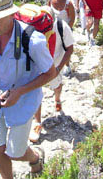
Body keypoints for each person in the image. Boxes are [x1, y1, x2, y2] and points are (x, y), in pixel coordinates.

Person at [0, 0, 57, 179]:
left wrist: (19, 92)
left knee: (16, 152)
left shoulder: (32, 41)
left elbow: (50, 72)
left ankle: (35, 157)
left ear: (11, 15)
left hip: (24, 102)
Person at [29, 12, 74, 143]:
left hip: (55, 61)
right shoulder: (34, 25)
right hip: (38, 62)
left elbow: (70, 49)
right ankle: (37, 123)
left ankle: (57, 98)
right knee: (37, 90)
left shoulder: (62, 26)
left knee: (56, 85)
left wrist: (59, 68)